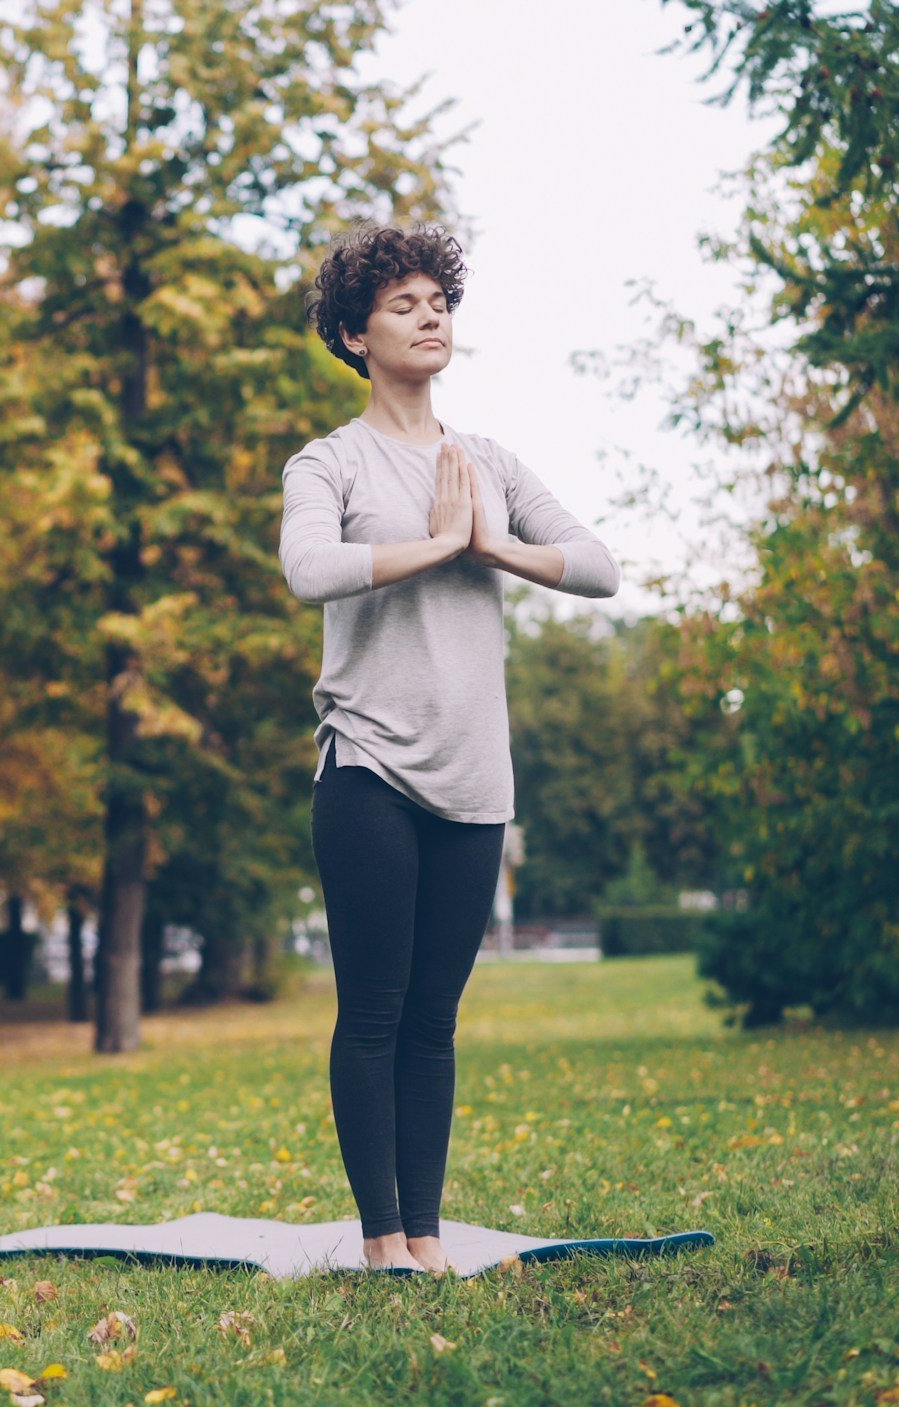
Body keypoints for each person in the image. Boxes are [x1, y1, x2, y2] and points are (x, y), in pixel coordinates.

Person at [278, 223, 620, 1274]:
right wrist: (436, 543)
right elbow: (307, 570)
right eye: (401, 305)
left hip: (476, 775)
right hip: (370, 764)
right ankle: (381, 1243)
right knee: (374, 1009)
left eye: (439, 301)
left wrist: (490, 542)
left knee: (435, 1018)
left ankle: (426, 1239)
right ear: (352, 334)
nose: (430, 317)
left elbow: (599, 567)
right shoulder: (327, 461)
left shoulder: (492, 464)